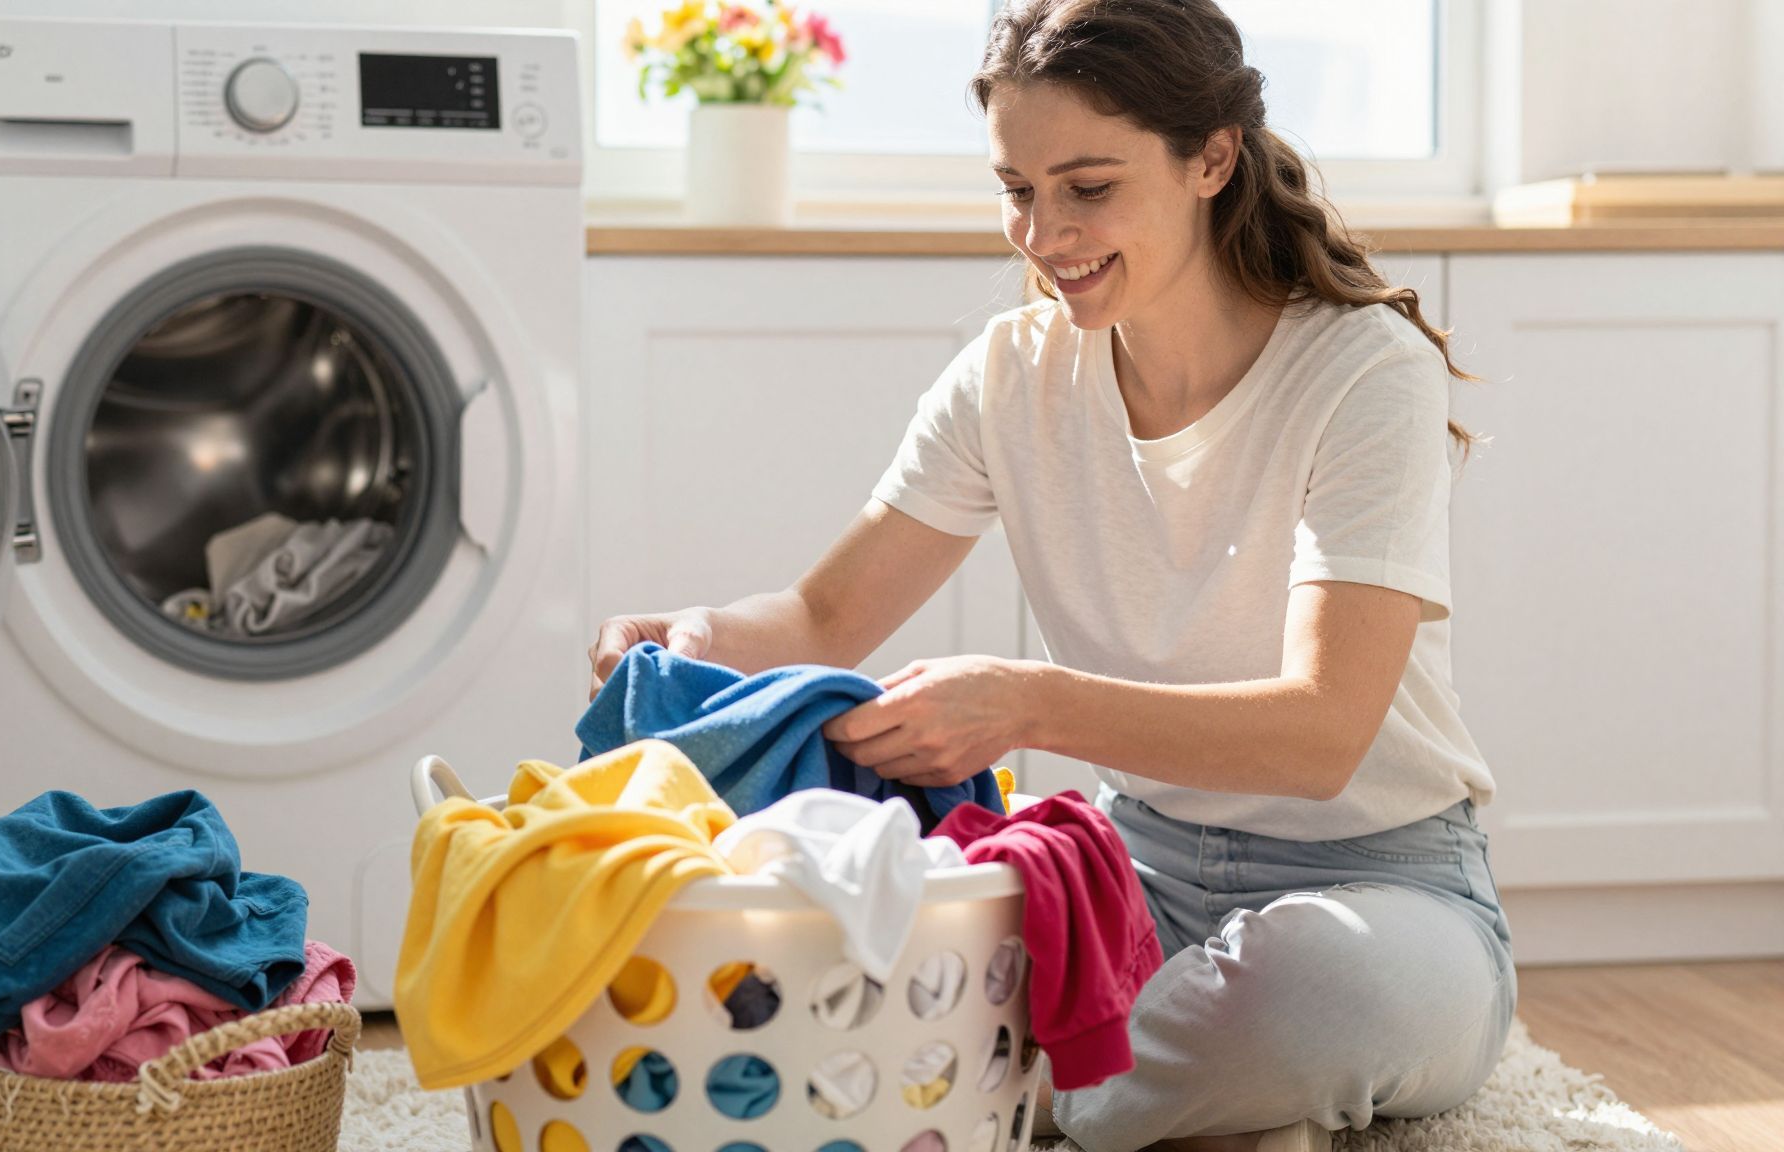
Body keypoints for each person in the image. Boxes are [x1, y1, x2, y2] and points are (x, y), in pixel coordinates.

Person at [587, 1, 1515, 1149]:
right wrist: (688, 635)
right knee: (852, 921)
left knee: (1314, 993)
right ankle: (1158, 1100)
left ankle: (999, 1090)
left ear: (1210, 159)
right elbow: (827, 614)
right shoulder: (1010, 373)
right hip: (1128, 871)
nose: (1041, 233)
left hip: (1384, 887)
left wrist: (1026, 700)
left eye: (1086, 187)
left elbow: (1319, 736)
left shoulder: (1361, 370)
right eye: (1015, 190)